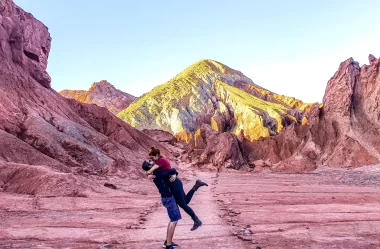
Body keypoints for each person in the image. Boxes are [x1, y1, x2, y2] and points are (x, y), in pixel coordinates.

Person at [146, 147, 208, 231]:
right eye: (150, 159)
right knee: (185, 202)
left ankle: (197, 220)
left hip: (174, 184)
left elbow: (171, 170)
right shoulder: (159, 165)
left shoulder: (160, 162)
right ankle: (196, 186)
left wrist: (149, 172)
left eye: (152, 158)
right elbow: (167, 171)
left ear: (156, 155)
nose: (151, 159)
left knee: (183, 204)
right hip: (175, 183)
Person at [142, 160, 180, 249]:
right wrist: (174, 173)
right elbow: (172, 170)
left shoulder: (156, 173)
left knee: (172, 220)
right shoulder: (158, 172)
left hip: (166, 198)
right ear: (150, 166)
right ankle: (168, 245)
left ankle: (168, 241)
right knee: (174, 220)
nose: (154, 162)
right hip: (169, 198)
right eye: (150, 162)